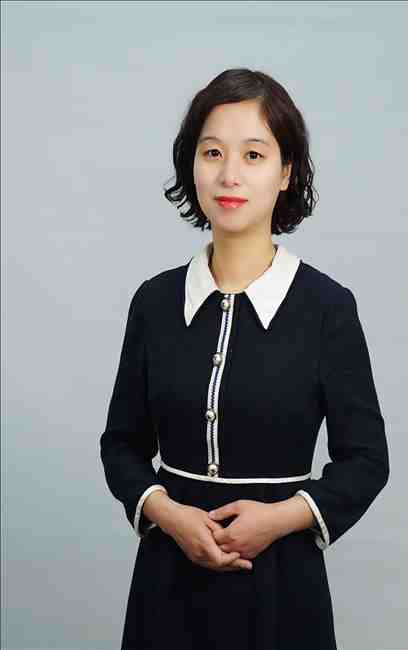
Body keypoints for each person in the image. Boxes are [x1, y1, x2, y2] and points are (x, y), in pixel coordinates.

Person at [99, 68, 390, 650]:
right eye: (213, 152)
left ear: (286, 173)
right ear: (192, 166)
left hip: (281, 583)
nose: (230, 174)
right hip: (167, 578)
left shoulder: (327, 307)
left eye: (254, 155)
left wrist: (279, 519)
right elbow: (121, 446)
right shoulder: (154, 302)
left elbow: (366, 460)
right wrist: (170, 515)